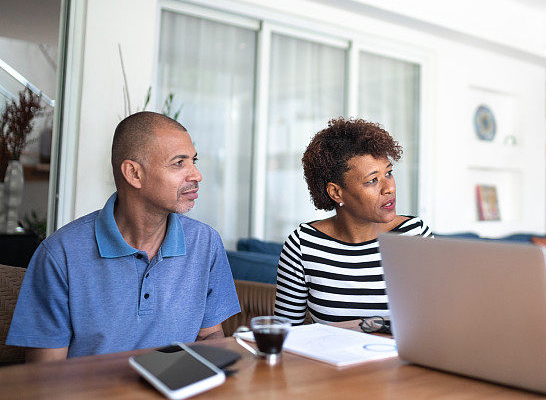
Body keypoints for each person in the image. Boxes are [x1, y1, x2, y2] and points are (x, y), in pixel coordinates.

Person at [7, 112, 240, 360]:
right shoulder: (60, 254)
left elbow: (208, 335)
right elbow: (45, 377)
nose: (196, 175)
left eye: (194, 160)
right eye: (179, 163)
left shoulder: (206, 243)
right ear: (134, 174)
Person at [275, 117, 432, 325]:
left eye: (389, 173)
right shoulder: (303, 245)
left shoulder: (414, 235)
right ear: (336, 192)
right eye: (372, 180)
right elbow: (284, 335)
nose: (389, 188)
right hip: (327, 358)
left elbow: (437, 321)